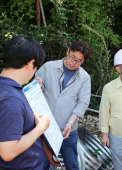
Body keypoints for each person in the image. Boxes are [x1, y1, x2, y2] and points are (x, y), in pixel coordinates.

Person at [0, 35, 59, 169]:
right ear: (30, 63)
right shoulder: (11, 99)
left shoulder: (9, 90)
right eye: (36, 67)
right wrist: (40, 128)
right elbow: (8, 152)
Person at [35, 41, 91, 170]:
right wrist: (38, 85)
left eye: (79, 61)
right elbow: (36, 89)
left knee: (72, 164)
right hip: (44, 128)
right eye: (72, 57)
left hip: (68, 131)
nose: (74, 62)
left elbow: (83, 102)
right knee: (41, 164)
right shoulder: (49, 67)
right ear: (68, 51)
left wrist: (70, 122)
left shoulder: (84, 77)